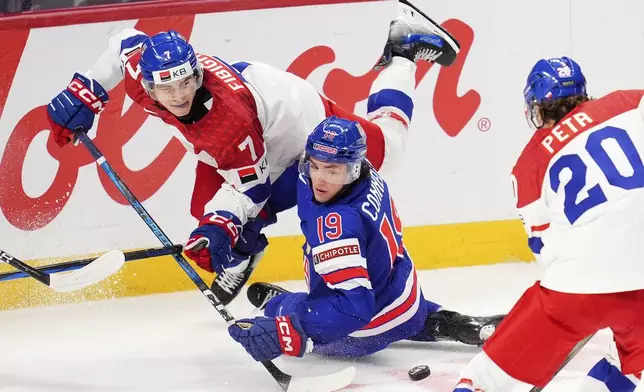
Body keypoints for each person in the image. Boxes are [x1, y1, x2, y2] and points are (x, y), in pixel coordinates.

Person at [46, 0, 461, 305]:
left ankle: (403, 51)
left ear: (197, 75)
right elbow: (123, 43)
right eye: (166, 87)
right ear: (149, 84)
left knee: (390, 150)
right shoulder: (144, 72)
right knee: (203, 210)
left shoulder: (228, 123)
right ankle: (246, 246)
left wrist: (225, 226)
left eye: (186, 83)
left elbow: (253, 186)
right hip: (245, 127)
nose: (178, 96)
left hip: (297, 124)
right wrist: (87, 90)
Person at [225, 116, 504, 362]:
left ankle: (283, 307)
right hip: (405, 293)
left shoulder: (337, 226)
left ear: (352, 168)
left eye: (332, 171)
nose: (320, 179)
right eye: (316, 166)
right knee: (402, 312)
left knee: (290, 311)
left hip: (363, 326)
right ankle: (453, 324)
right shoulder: (362, 171)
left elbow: (354, 310)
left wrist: (284, 332)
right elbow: (288, 187)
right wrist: (248, 222)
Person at [451, 57, 644, 392]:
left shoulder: (528, 165)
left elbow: (543, 246)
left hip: (577, 289)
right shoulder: (631, 101)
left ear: (537, 108)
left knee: (485, 378)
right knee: (633, 367)